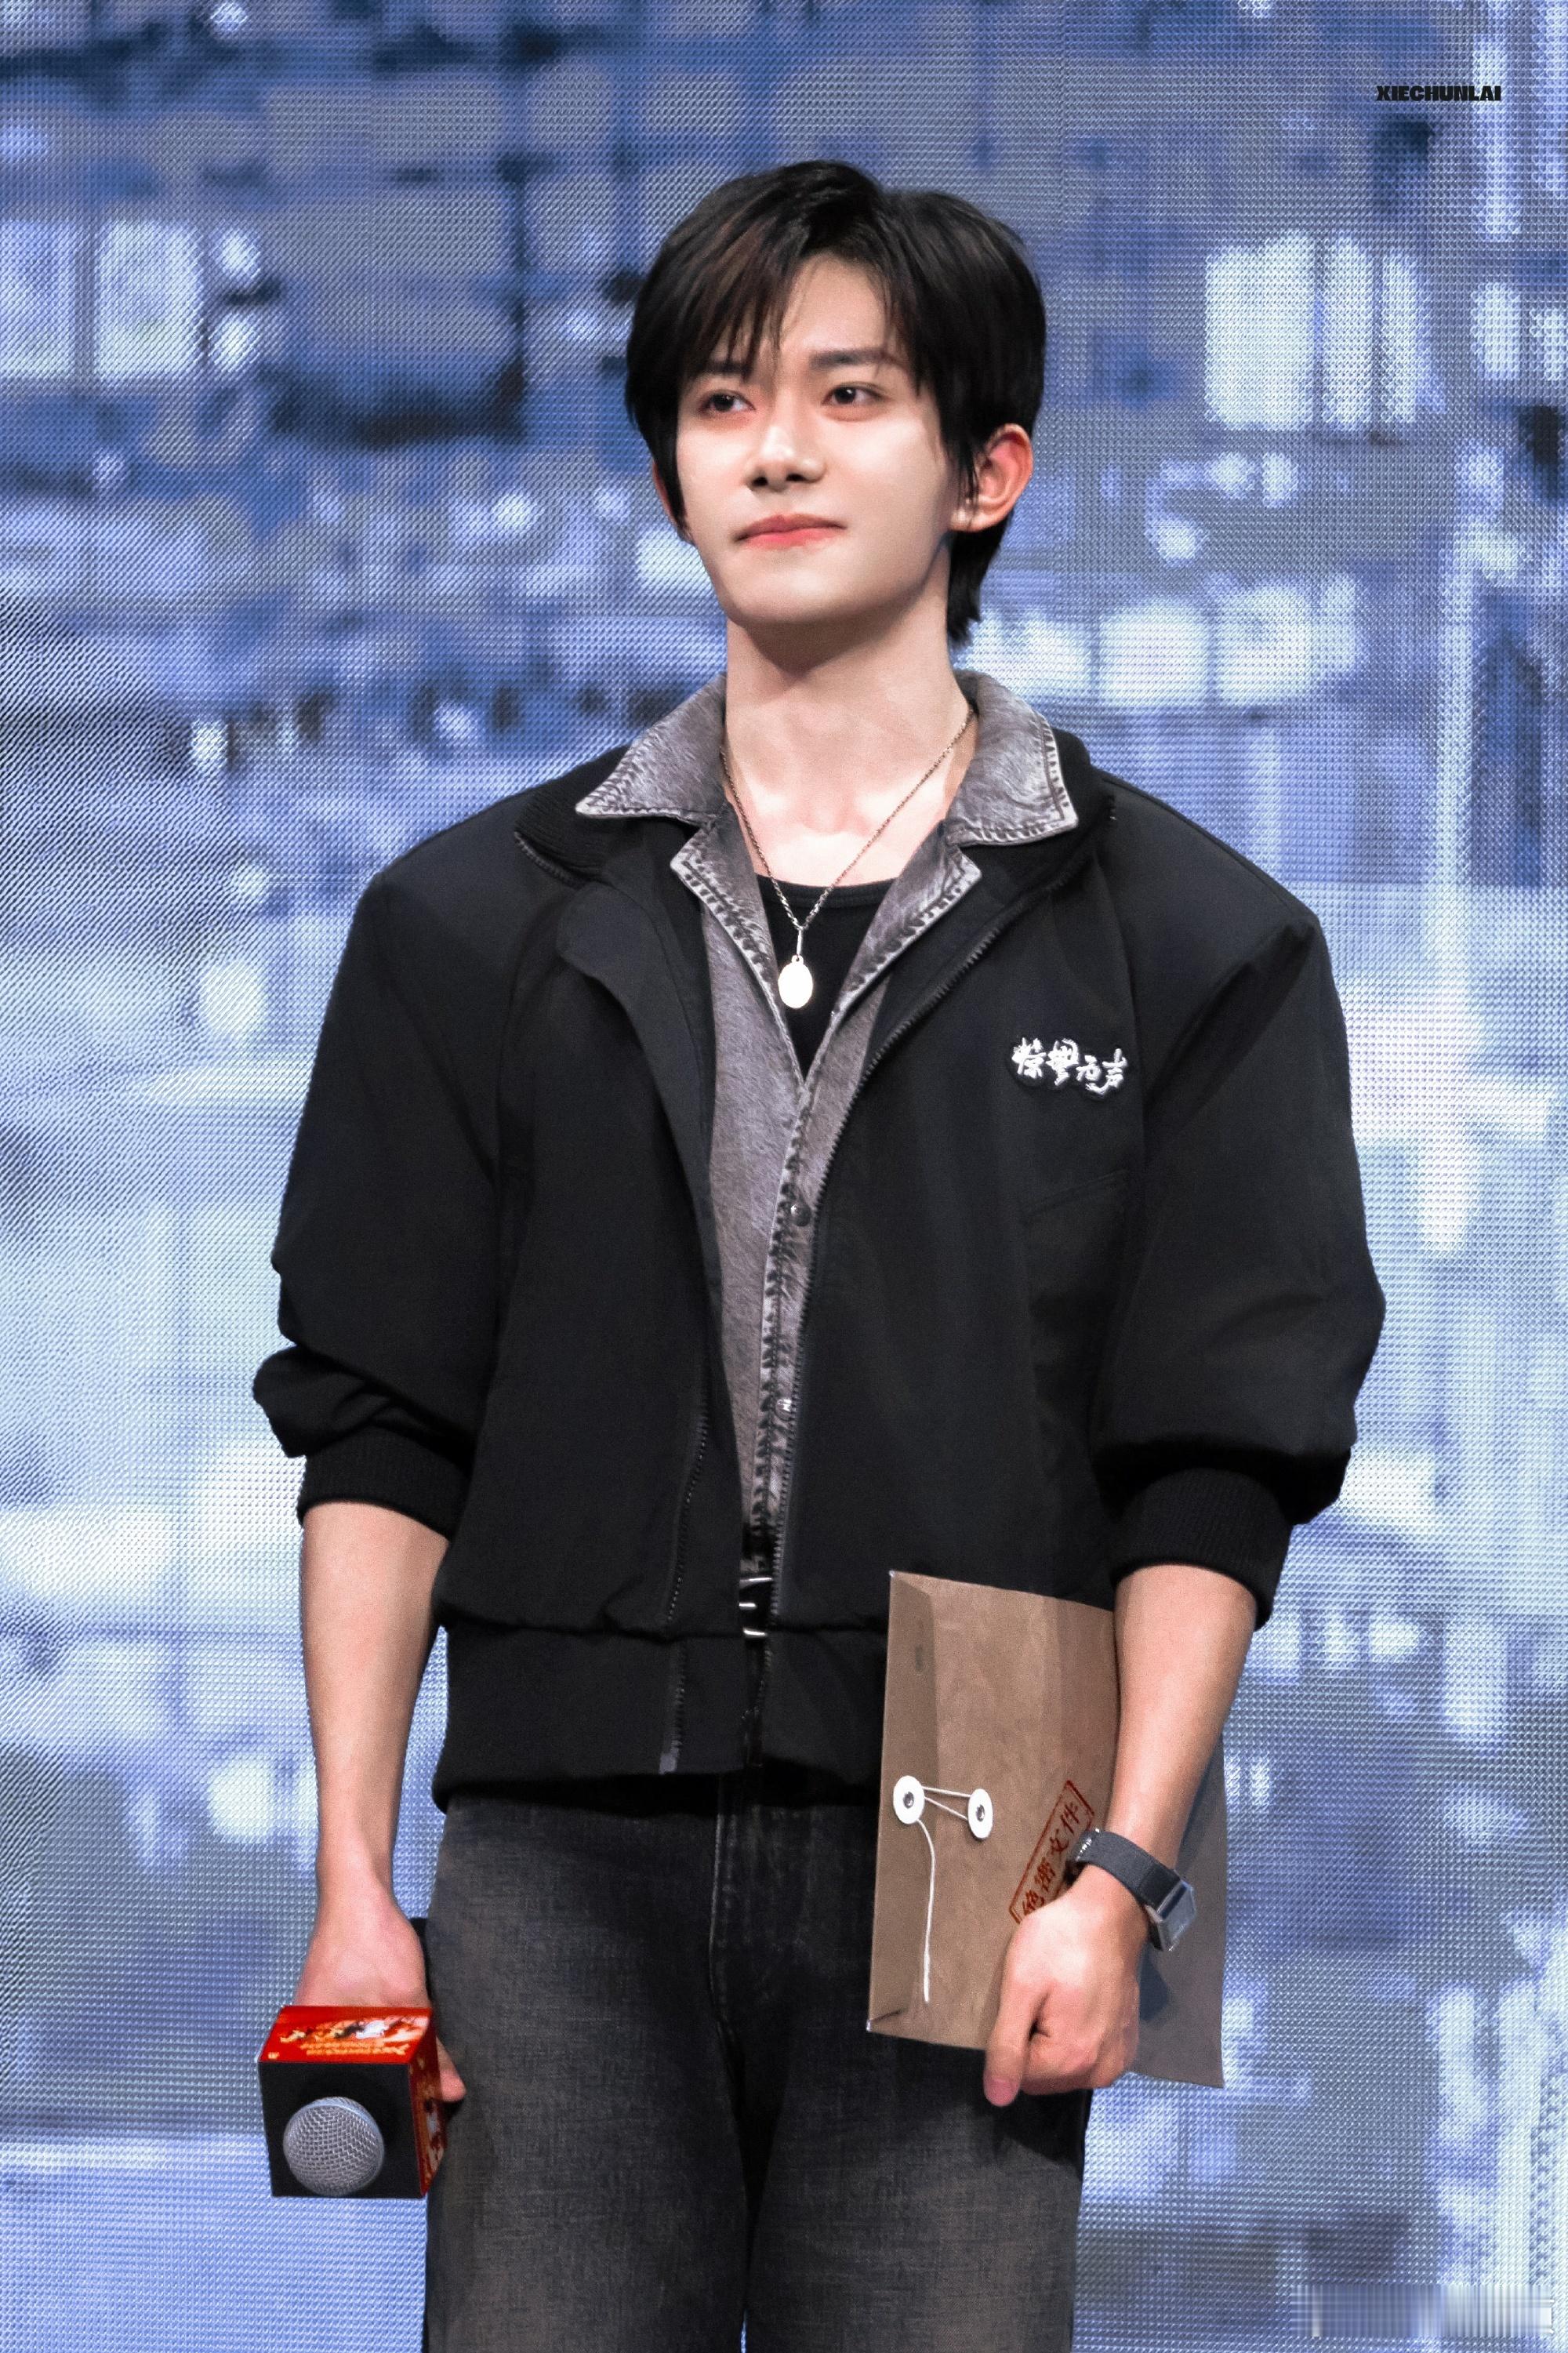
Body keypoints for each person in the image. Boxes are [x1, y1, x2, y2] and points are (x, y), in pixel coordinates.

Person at [253, 159, 1386, 2351]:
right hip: (556, 1855)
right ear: (669, 473)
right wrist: (353, 1889)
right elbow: (380, 1429)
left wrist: (1125, 1880)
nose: (772, 449)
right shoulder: (466, 926)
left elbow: (1215, 1464)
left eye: (849, 396)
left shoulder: (1199, 944)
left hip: (984, 1843)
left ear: (987, 471)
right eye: (720, 400)